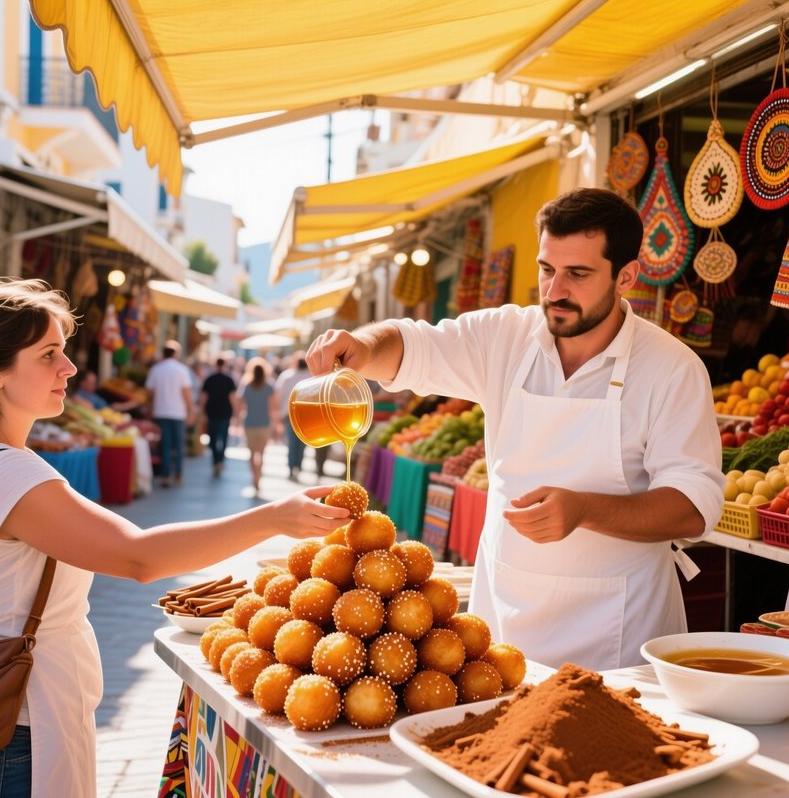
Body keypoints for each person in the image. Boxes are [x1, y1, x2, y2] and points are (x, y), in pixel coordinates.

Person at [307, 188, 725, 671]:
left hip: (620, 635)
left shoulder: (672, 368)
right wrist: (361, 344)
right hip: (506, 621)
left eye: (579, 274)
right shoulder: (505, 336)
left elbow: (694, 507)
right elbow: (412, 344)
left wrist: (584, 509)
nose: (555, 290)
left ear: (626, 276)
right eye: (547, 269)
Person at [0, 279, 349, 797]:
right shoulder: (11, 475)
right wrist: (270, 518)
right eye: (49, 355)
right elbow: (139, 556)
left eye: (64, 352)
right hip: (22, 723)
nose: (69, 368)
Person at [145, 341, 196, 487]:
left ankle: (166, 474)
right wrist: (191, 410)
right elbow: (186, 393)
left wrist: (150, 408)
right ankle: (178, 473)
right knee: (178, 444)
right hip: (177, 413)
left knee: (165, 444)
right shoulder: (182, 370)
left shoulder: (156, 369)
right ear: (176, 354)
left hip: (160, 411)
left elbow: (150, 392)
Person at [237, 358, 278, 492]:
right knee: (261, 454)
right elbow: (272, 408)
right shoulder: (269, 387)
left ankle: (254, 476)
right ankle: (258, 476)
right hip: (264, 424)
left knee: (251, 453)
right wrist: (276, 425)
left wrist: (237, 421)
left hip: (250, 423)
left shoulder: (247, 386)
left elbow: (241, 405)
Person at [274, 353, 311, 481]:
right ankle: (298, 466)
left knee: (291, 442)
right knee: (302, 443)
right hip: (306, 415)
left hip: (289, 413)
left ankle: (291, 467)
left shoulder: (286, 376)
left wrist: (278, 413)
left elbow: (278, 395)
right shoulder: (310, 376)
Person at [199, 357, 237, 477]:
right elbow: (233, 398)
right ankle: (220, 461)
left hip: (212, 413)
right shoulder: (228, 380)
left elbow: (203, 398)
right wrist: (236, 413)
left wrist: (201, 412)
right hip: (225, 413)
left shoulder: (209, 379)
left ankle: (216, 461)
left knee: (213, 438)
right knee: (223, 437)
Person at [72, 370, 141, 413]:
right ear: (82, 383)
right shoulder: (78, 397)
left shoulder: (93, 393)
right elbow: (110, 408)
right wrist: (130, 404)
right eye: (92, 383)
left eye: (95, 382)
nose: (94, 385)